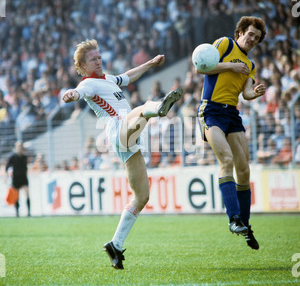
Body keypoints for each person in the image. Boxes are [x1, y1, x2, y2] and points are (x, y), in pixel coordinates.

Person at [62, 39, 183, 269]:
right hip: (119, 130)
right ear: (82, 66)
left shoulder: (107, 79)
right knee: (144, 107)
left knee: (142, 196)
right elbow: (78, 92)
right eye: (92, 59)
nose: (98, 61)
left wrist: (150, 63)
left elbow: (128, 76)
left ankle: (115, 245)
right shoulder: (88, 83)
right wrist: (70, 95)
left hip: (128, 139)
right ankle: (158, 108)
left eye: (99, 57)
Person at [197, 16, 267, 250]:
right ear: (240, 33)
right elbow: (202, 67)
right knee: (226, 159)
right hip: (211, 110)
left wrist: (254, 92)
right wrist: (230, 66)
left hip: (232, 114)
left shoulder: (250, 65)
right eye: (250, 35)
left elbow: (245, 93)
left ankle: (245, 225)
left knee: (244, 169)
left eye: (256, 38)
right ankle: (234, 219)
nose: (252, 40)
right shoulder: (225, 44)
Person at [5, 141, 31, 217]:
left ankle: (29, 212)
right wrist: (9, 172)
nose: (20, 148)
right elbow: (7, 167)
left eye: (21, 146)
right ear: (16, 148)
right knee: (17, 196)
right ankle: (17, 212)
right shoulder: (12, 157)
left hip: (23, 178)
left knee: (27, 194)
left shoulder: (25, 157)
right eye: (18, 147)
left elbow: (27, 167)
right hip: (16, 179)